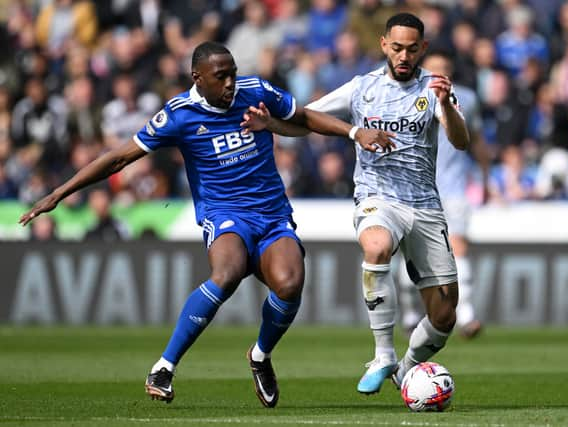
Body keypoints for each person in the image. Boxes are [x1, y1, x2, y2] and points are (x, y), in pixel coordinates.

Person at [19, 41, 392, 408]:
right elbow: (119, 158)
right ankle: (164, 367)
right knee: (226, 273)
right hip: (224, 212)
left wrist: (354, 132)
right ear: (197, 78)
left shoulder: (256, 90)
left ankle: (260, 355)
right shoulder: (179, 115)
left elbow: (305, 118)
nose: (230, 83)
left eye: (232, 73)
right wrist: (59, 193)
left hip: (272, 212)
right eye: (221, 76)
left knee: (291, 284)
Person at [241, 13, 470, 394]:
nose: (403, 56)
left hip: (426, 205)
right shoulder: (361, 88)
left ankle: (406, 369)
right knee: (376, 247)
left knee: (445, 315)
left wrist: (445, 106)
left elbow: (461, 141)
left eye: (412, 49)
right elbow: (310, 117)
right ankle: (382, 354)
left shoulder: (435, 88)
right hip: (377, 197)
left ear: (423, 49)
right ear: (383, 44)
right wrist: (273, 126)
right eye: (396, 48)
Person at [398, 51, 487, 339]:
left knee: (459, 246)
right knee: (411, 254)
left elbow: (477, 140)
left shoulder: (466, 99)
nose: (439, 73)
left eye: (445, 68)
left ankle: (467, 315)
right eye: (433, 68)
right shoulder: (405, 97)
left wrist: (486, 180)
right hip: (414, 188)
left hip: (454, 188)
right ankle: (412, 313)